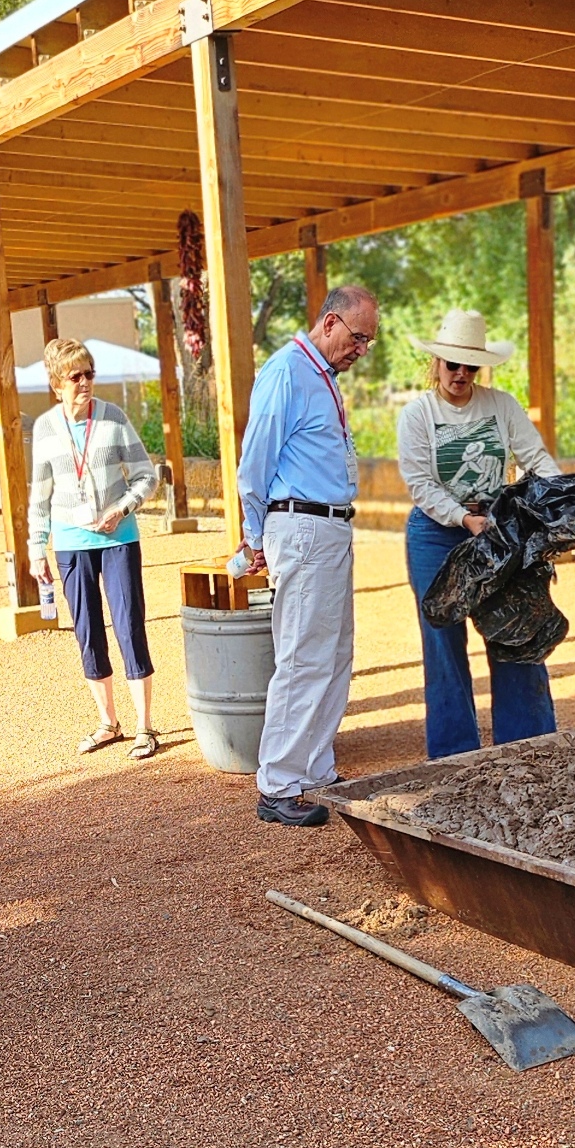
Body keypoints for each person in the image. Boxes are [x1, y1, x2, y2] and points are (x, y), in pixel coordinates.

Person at [237, 285, 379, 827]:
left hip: (331, 526)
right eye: (358, 336)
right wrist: (254, 537)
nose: (361, 349)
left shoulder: (321, 377)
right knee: (301, 655)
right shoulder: (287, 371)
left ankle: (315, 767)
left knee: (334, 653)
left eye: (368, 340)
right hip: (302, 524)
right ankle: (277, 782)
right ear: (330, 322)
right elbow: (255, 463)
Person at [397, 310, 563, 759]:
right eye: (453, 364)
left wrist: (555, 503)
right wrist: (462, 518)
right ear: (437, 365)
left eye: (470, 365)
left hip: (498, 528)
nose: (461, 374)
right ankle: (455, 758)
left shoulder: (502, 405)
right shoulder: (417, 415)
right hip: (437, 532)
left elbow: (537, 459)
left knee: (515, 630)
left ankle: (529, 747)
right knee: (443, 644)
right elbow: (420, 483)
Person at [29, 338, 161, 759]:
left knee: (129, 626)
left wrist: (122, 508)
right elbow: (40, 496)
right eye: (75, 376)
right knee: (88, 633)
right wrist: (37, 548)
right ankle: (109, 723)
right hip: (71, 543)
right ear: (56, 385)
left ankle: (145, 727)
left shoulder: (114, 418)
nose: (85, 383)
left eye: (90, 374)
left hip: (118, 538)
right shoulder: (45, 428)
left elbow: (146, 476)